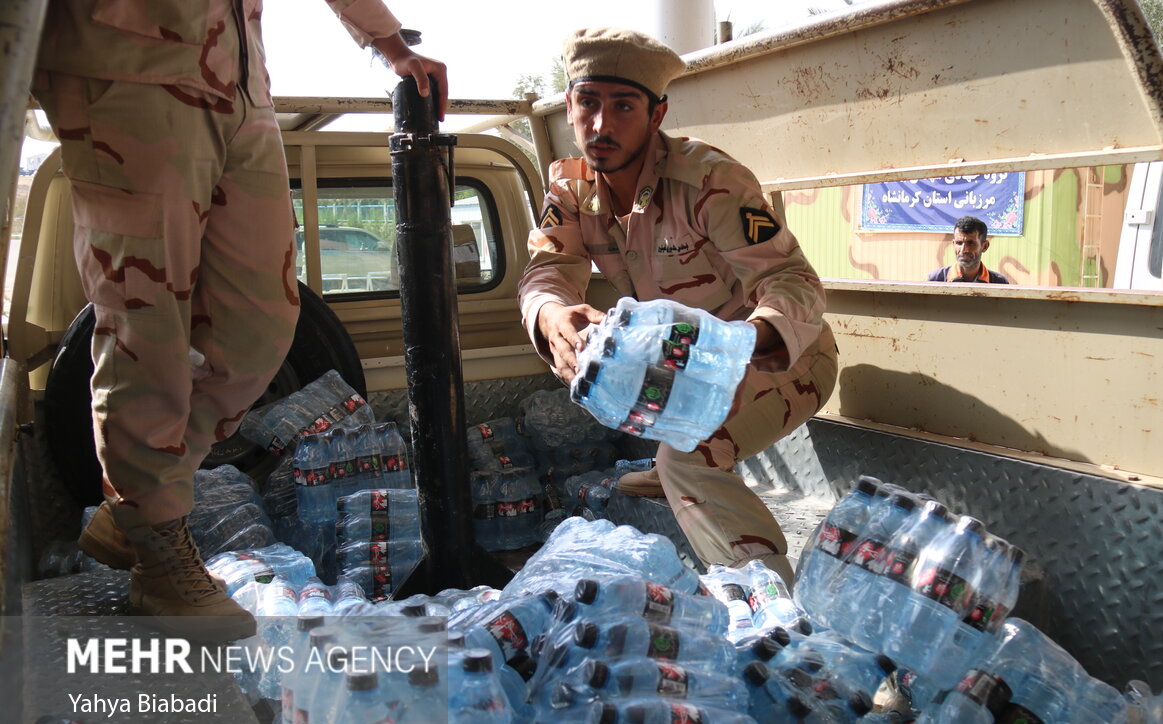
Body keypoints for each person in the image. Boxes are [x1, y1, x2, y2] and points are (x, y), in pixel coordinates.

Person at [33, 0, 447, 643]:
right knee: (145, 322)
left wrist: (390, 45)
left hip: (238, 76)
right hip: (124, 61)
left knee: (260, 326)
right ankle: (158, 549)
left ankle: (139, 500)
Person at [518, 28, 837, 584]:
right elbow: (547, 272)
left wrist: (744, 340)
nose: (601, 125)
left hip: (784, 360)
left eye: (623, 106)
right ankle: (672, 471)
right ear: (569, 107)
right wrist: (550, 314)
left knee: (684, 458)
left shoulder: (709, 181)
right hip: (686, 370)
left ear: (656, 114)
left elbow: (794, 281)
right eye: (588, 103)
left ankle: (773, 612)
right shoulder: (569, 192)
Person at [926, 216, 1010, 283]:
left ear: (984, 246)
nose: (963, 249)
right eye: (959, 243)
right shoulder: (935, 280)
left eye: (970, 243)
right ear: (953, 244)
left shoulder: (999, 282)